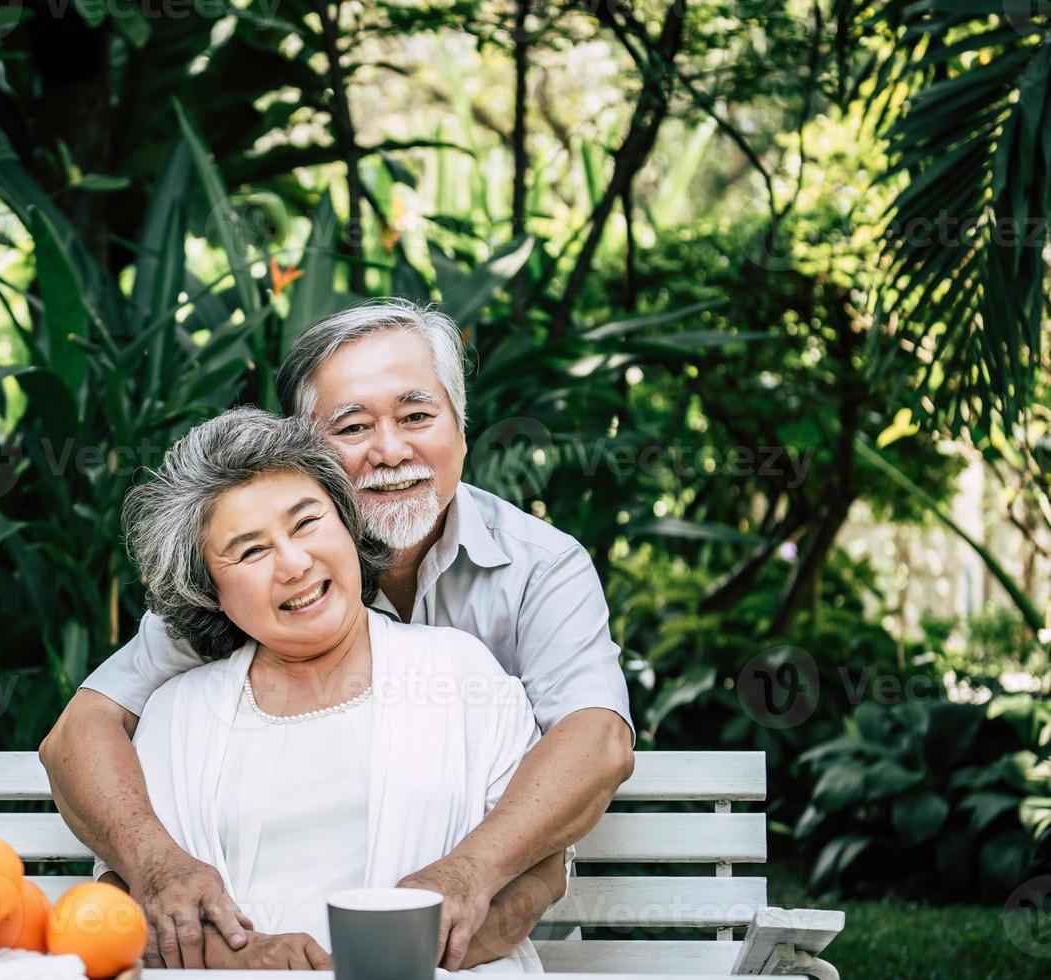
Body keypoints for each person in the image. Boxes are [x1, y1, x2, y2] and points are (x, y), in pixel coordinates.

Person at [42, 298, 635, 970]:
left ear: (462, 429)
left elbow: (597, 740)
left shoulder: (535, 571)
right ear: (304, 450)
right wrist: (160, 869)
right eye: (352, 426)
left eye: (416, 416)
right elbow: (80, 733)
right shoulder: (230, 600)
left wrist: (464, 878)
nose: (390, 450)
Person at [103, 408, 545, 971]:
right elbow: (127, 900)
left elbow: (542, 875)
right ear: (211, 591)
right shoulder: (177, 713)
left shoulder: (461, 674)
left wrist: (386, 964)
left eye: (307, 522)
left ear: (347, 523)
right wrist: (244, 961)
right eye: (250, 551)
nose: (294, 563)